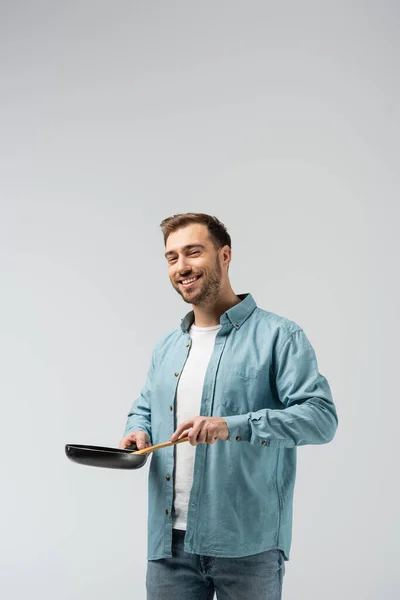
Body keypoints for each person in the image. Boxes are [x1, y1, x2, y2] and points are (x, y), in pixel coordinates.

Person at [120, 213, 338, 600]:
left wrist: (232, 425)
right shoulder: (168, 346)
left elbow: (320, 419)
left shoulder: (279, 336)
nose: (182, 266)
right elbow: (144, 407)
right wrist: (138, 431)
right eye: (172, 258)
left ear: (225, 256)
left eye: (193, 252)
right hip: (168, 546)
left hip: (248, 545)